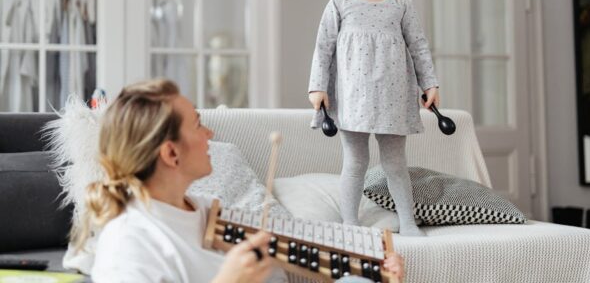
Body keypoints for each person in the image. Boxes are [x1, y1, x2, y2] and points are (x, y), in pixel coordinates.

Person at [75, 78, 404, 282]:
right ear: (171, 154)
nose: (210, 134)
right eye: (198, 125)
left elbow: (301, 244)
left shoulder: (206, 212)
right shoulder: (129, 241)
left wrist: (374, 264)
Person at [308, 0, 440, 236]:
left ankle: (407, 221)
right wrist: (318, 87)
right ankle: (349, 221)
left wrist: (430, 84)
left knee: (395, 163)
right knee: (355, 161)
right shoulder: (340, 3)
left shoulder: (400, 6)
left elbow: (419, 46)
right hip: (352, 98)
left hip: (392, 98)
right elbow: (323, 47)